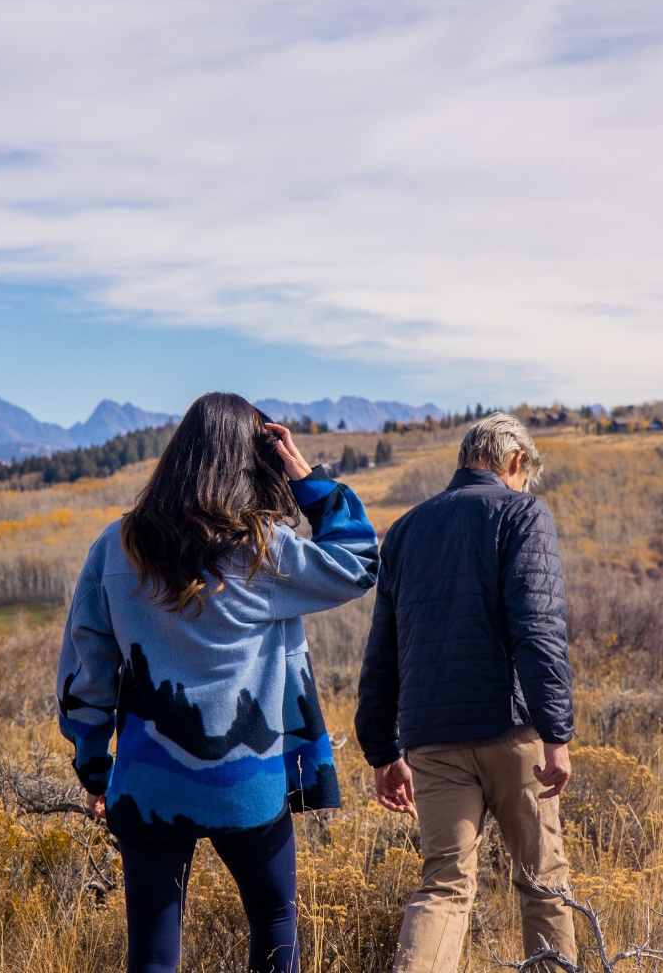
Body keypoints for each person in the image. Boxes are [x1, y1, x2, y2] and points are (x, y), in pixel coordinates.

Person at [56, 392, 379, 973]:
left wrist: (94, 767)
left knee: (153, 951)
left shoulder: (115, 545)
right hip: (247, 780)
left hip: (146, 781)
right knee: (274, 923)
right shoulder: (262, 551)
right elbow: (359, 563)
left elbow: (87, 667)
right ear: (252, 461)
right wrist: (307, 477)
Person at [355, 413, 576, 971]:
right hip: (511, 732)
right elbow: (538, 628)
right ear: (516, 462)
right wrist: (556, 734)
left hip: (432, 741)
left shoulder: (405, 529)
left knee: (444, 887)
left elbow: (382, 649)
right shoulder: (522, 511)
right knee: (543, 881)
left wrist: (383, 752)